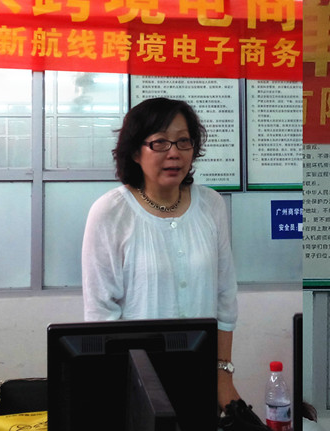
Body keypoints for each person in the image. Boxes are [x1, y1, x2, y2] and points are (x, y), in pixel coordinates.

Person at [82, 97, 240, 410]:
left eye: (183, 141)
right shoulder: (110, 212)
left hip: (200, 376)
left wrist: (223, 374)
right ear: (135, 152)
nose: (174, 153)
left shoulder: (212, 205)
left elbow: (225, 297)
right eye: (160, 143)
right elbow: (101, 313)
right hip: (135, 383)